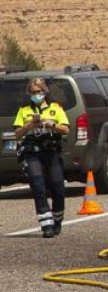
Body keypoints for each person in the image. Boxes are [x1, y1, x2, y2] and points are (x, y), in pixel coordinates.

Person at [13, 78, 69, 237]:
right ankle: (46, 225)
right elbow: (16, 134)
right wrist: (28, 126)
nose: (36, 95)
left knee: (57, 187)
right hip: (32, 153)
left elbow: (65, 130)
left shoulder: (55, 108)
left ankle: (57, 219)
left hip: (51, 151)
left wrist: (51, 124)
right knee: (38, 186)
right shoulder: (24, 110)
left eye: (39, 92)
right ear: (29, 93)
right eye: (33, 92)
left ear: (44, 91)